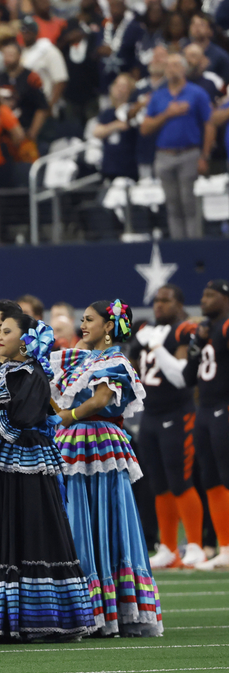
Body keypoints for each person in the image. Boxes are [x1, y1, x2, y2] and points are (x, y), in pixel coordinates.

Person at [0, 314, 94, 642]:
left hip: (25, 463)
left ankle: (33, 618)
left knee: (27, 529)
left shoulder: (33, 374)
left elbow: (24, 417)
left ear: (26, 339)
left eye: (7, 332)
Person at [50, 301, 162, 636]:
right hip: (72, 442)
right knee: (76, 514)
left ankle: (104, 606)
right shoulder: (78, 358)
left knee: (99, 513)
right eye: (82, 320)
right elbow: (58, 396)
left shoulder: (115, 360)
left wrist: (66, 417)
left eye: (89, 320)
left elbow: (100, 400)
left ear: (109, 326)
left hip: (98, 440)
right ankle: (86, 604)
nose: (82, 326)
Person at [134, 286, 207, 569]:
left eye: (166, 300)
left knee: (180, 479)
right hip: (150, 413)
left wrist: (155, 347)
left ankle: (196, 546)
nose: (159, 305)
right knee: (158, 483)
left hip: (177, 413)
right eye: (156, 300)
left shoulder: (183, 329)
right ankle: (168, 547)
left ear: (179, 303)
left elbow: (179, 376)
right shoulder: (149, 331)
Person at [143, 53, 211, 240]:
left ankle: (194, 245)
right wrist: (168, 114)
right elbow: (145, 128)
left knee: (189, 203)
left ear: (184, 69)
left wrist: (204, 156)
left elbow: (209, 124)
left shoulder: (197, 93)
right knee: (172, 204)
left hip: (189, 153)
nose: (171, 69)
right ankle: (178, 245)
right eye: (168, 66)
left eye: (175, 65)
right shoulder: (159, 96)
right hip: (164, 155)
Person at [193, 280, 229, 570]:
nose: (204, 300)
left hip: (223, 407)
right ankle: (225, 546)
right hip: (204, 409)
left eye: (210, 295)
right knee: (211, 479)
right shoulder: (207, 329)